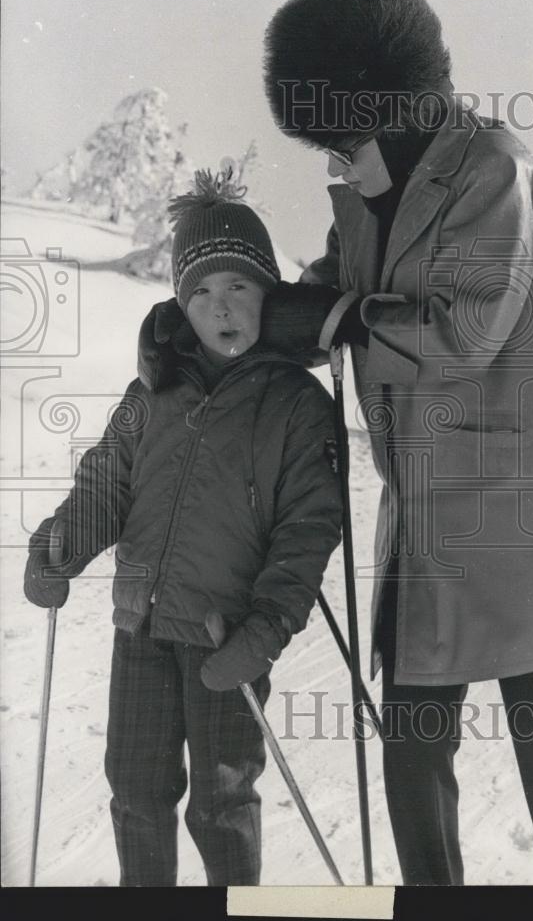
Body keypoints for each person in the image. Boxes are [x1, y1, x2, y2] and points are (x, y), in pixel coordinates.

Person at [261, 0, 533, 885]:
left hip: (522, 503)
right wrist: (224, 321)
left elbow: (462, 334)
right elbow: (337, 288)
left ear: (390, 100)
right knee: (413, 746)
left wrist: (333, 318)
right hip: (427, 505)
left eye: (346, 131)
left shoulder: (496, 169)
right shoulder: (367, 182)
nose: (339, 154)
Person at [23, 169, 343, 887]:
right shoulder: (153, 391)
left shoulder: (298, 405)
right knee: (135, 793)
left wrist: (263, 635)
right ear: (179, 306)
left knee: (220, 805)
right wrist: (62, 544)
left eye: (238, 287)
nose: (219, 307)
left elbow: (306, 534)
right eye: (199, 291)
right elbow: (106, 483)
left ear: (270, 294)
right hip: (138, 629)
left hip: (224, 641)